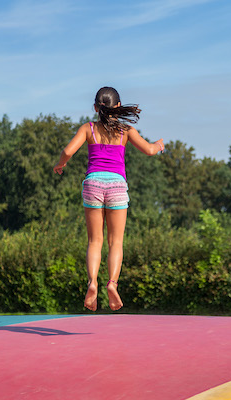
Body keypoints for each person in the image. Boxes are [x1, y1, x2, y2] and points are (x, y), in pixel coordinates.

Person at [54, 87, 164, 311]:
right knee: (116, 242)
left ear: (96, 108)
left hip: (93, 183)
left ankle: (92, 281)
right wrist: (159, 145)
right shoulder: (126, 130)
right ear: (118, 106)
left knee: (95, 241)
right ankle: (112, 284)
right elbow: (150, 150)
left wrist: (60, 164)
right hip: (116, 185)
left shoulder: (89, 128)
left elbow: (67, 150)